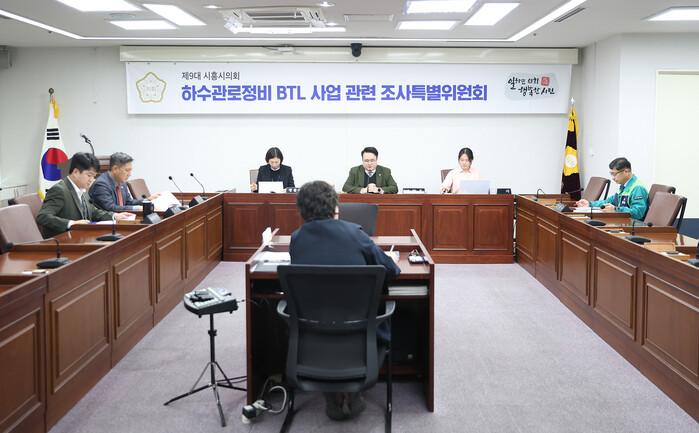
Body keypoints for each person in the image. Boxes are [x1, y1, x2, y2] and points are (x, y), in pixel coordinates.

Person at [289, 180, 400, 421]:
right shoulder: (354, 233)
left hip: (313, 334)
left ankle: (332, 392)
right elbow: (391, 270)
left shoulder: (296, 239)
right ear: (334, 206)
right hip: (358, 330)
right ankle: (352, 389)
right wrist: (390, 258)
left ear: (301, 210)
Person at [36, 152, 135, 238]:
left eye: (94, 176)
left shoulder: (82, 189)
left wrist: (114, 216)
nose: (92, 180)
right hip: (61, 241)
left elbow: (93, 212)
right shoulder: (60, 190)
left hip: (81, 237)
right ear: (76, 172)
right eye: (89, 175)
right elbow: (43, 217)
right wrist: (71, 224)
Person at [575, 157, 649, 220]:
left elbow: (638, 213)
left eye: (615, 174)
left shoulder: (637, 188)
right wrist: (590, 204)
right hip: (621, 221)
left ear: (626, 172)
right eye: (611, 174)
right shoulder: (623, 186)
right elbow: (610, 201)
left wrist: (615, 210)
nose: (613, 177)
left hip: (631, 226)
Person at [89, 152, 159, 211]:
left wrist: (147, 200)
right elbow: (110, 208)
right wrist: (139, 208)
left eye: (130, 170)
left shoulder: (121, 182)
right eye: (127, 170)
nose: (130, 174)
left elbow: (128, 202)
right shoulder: (101, 184)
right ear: (115, 169)